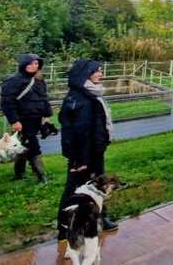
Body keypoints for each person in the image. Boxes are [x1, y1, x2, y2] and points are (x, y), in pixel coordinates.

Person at [57, 59, 117, 241]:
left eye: (100, 70)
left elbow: (94, 128)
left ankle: (100, 217)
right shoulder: (80, 99)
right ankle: (63, 228)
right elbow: (74, 133)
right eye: (97, 71)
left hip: (95, 152)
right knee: (73, 191)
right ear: (85, 74)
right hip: (84, 156)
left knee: (98, 186)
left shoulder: (91, 94)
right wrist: (78, 160)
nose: (101, 74)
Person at [1, 53, 52, 183]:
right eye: (30, 63)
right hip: (22, 120)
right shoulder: (13, 80)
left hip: (36, 118)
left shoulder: (39, 81)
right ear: (23, 64)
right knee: (33, 146)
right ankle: (41, 175)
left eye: (36, 63)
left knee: (23, 146)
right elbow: (7, 102)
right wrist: (14, 120)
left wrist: (47, 116)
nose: (33, 66)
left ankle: (19, 174)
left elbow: (44, 99)